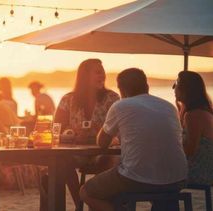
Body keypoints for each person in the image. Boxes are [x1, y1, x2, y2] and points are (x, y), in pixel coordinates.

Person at [80, 68, 188, 211]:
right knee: (158, 190)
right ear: (147, 86)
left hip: (136, 178)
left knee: (86, 192)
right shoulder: (169, 107)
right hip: (178, 178)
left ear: (122, 90)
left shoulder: (120, 106)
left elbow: (102, 143)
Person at [41, 59, 120, 211]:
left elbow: (119, 130)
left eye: (103, 73)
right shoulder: (68, 99)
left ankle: (93, 200)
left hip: (104, 150)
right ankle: (79, 202)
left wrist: (98, 130)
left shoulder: (112, 98)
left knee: (109, 160)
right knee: (62, 161)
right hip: (76, 151)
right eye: (98, 72)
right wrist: (72, 132)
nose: (102, 76)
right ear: (84, 76)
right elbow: (56, 129)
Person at [173, 71, 213, 185]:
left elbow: (190, 150)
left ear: (186, 89)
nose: (174, 89)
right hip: (205, 170)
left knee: (156, 175)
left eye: (176, 84)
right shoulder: (202, 110)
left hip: (200, 173)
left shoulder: (194, 115)